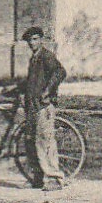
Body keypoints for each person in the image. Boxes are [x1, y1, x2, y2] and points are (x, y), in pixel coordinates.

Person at [18, 26, 67, 191]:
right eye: (29, 41)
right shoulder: (34, 59)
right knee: (31, 141)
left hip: (44, 106)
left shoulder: (46, 56)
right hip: (32, 106)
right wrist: (13, 90)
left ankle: (55, 179)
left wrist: (48, 91)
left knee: (45, 141)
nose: (32, 43)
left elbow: (60, 72)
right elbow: (31, 83)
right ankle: (38, 178)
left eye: (35, 39)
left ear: (41, 40)